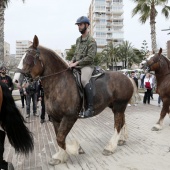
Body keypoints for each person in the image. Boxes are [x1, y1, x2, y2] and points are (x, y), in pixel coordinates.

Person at [69, 16, 97, 118]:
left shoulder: (91, 41)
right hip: (77, 65)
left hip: (87, 66)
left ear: (87, 25)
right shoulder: (78, 40)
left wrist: (77, 63)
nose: (79, 27)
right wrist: (71, 61)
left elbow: (90, 57)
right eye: (78, 25)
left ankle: (90, 108)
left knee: (84, 80)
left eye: (80, 25)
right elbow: (76, 54)